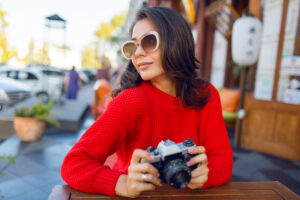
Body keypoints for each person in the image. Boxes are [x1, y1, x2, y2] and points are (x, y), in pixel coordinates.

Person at [61, 7, 232, 198]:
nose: (138, 53)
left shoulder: (206, 95)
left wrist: (206, 175)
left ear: (176, 41)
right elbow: (73, 164)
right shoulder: (129, 101)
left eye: (149, 41)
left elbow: (223, 161)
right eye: (132, 46)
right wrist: (123, 183)